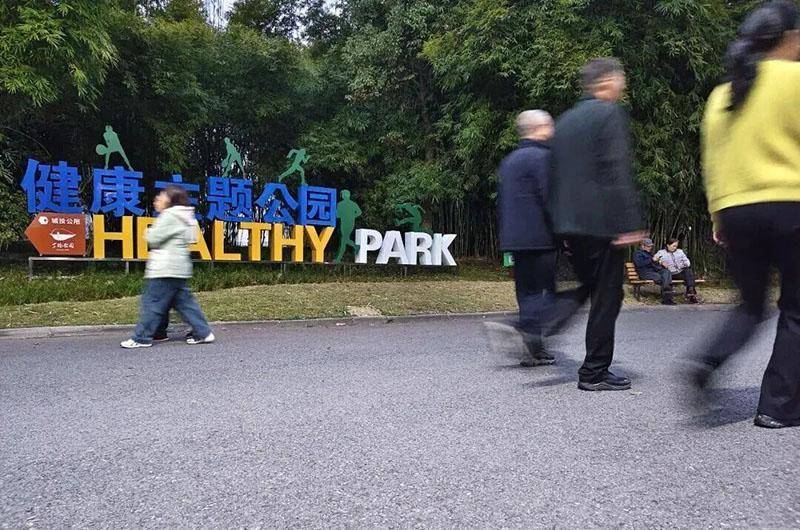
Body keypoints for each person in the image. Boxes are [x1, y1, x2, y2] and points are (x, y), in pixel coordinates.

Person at [682, 0, 800, 428]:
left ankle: (707, 361)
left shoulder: (723, 94)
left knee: (750, 304)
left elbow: (712, 164)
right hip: (790, 205)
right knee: (797, 308)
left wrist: (718, 217)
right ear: (790, 37)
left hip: (736, 210)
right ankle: (777, 407)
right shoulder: (794, 79)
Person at [546, 57, 646, 391]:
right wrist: (628, 222)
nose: (623, 84)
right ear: (605, 81)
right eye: (621, 78)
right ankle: (594, 372)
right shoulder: (608, 113)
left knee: (592, 288)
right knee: (607, 296)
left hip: (568, 224)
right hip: (601, 224)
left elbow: (553, 174)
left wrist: (557, 222)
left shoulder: (565, 120)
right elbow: (616, 168)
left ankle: (535, 324)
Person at [485, 110, 557, 367]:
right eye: (549, 125)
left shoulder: (510, 161)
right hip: (541, 237)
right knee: (548, 294)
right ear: (539, 128)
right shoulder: (543, 158)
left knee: (527, 293)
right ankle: (519, 327)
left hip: (516, 238)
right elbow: (550, 199)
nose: (553, 130)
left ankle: (534, 350)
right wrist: (566, 232)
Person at [121, 186, 215, 348]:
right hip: (179, 267)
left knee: (152, 303)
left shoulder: (169, 215)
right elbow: (192, 238)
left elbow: (153, 238)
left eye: (162, 195)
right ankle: (202, 332)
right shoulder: (186, 216)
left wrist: (148, 231)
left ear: (171, 200)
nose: (158, 198)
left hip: (164, 267)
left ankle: (141, 338)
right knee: (185, 304)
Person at [654, 237, 698, 303]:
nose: (675, 248)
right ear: (668, 245)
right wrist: (661, 262)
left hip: (679, 272)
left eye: (676, 246)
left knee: (688, 271)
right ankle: (667, 297)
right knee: (666, 275)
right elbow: (654, 259)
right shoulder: (661, 252)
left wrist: (685, 264)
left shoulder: (680, 252)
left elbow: (687, 262)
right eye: (673, 246)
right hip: (669, 274)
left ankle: (691, 292)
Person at [633, 238, 675, 305]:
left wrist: (661, 263)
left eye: (651, 246)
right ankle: (667, 298)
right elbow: (639, 264)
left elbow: (654, 264)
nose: (650, 248)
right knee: (663, 278)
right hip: (645, 273)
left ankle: (667, 298)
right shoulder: (637, 253)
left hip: (654, 271)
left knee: (666, 272)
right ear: (643, 246)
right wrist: (652, 260)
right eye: (648, 246)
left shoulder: (649, 253)